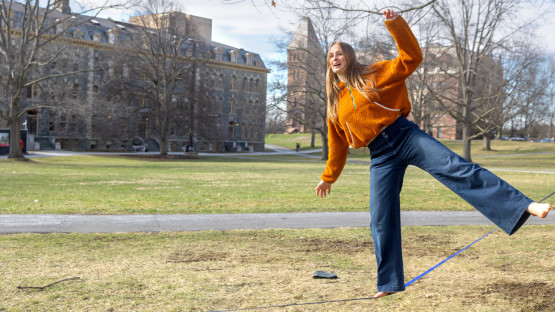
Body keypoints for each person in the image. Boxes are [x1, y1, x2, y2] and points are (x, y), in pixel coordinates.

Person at [314, 9, 551, 298]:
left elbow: (411, 58)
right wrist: (329, 177)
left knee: (457, 168)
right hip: (380, 156)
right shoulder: (335, 104)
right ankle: (388, 284)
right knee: (381, 216)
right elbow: (337, 144)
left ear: (350, 57)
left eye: (339, 53)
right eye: (330, 55)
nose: (334, 58)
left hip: (405, 136)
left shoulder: (374, 73)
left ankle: (524, 205)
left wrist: (395, 24)